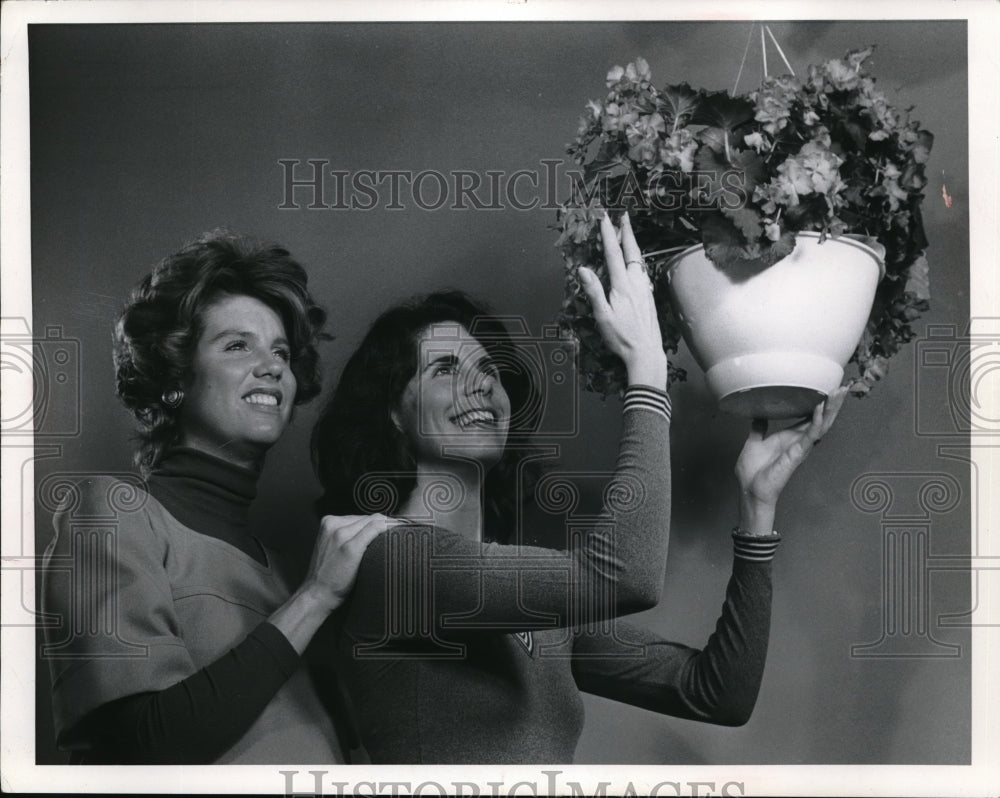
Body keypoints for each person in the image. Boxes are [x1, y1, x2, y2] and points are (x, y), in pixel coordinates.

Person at [311, 212, 846, 764]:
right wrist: (645, 369)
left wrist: (756, 507)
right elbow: (626, 576)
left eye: (489, 369)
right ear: (392, 413)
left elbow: (716, 693)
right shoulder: (388, 559)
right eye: (444, 369)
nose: (482, 385)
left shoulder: (531, 605)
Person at [41, 230, 396, 764]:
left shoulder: (285, 572)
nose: (273, 366)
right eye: (237, 345)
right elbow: (143, 748)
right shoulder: (112, 516)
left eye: (280, 351)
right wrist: (316, 597)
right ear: (174, 375)